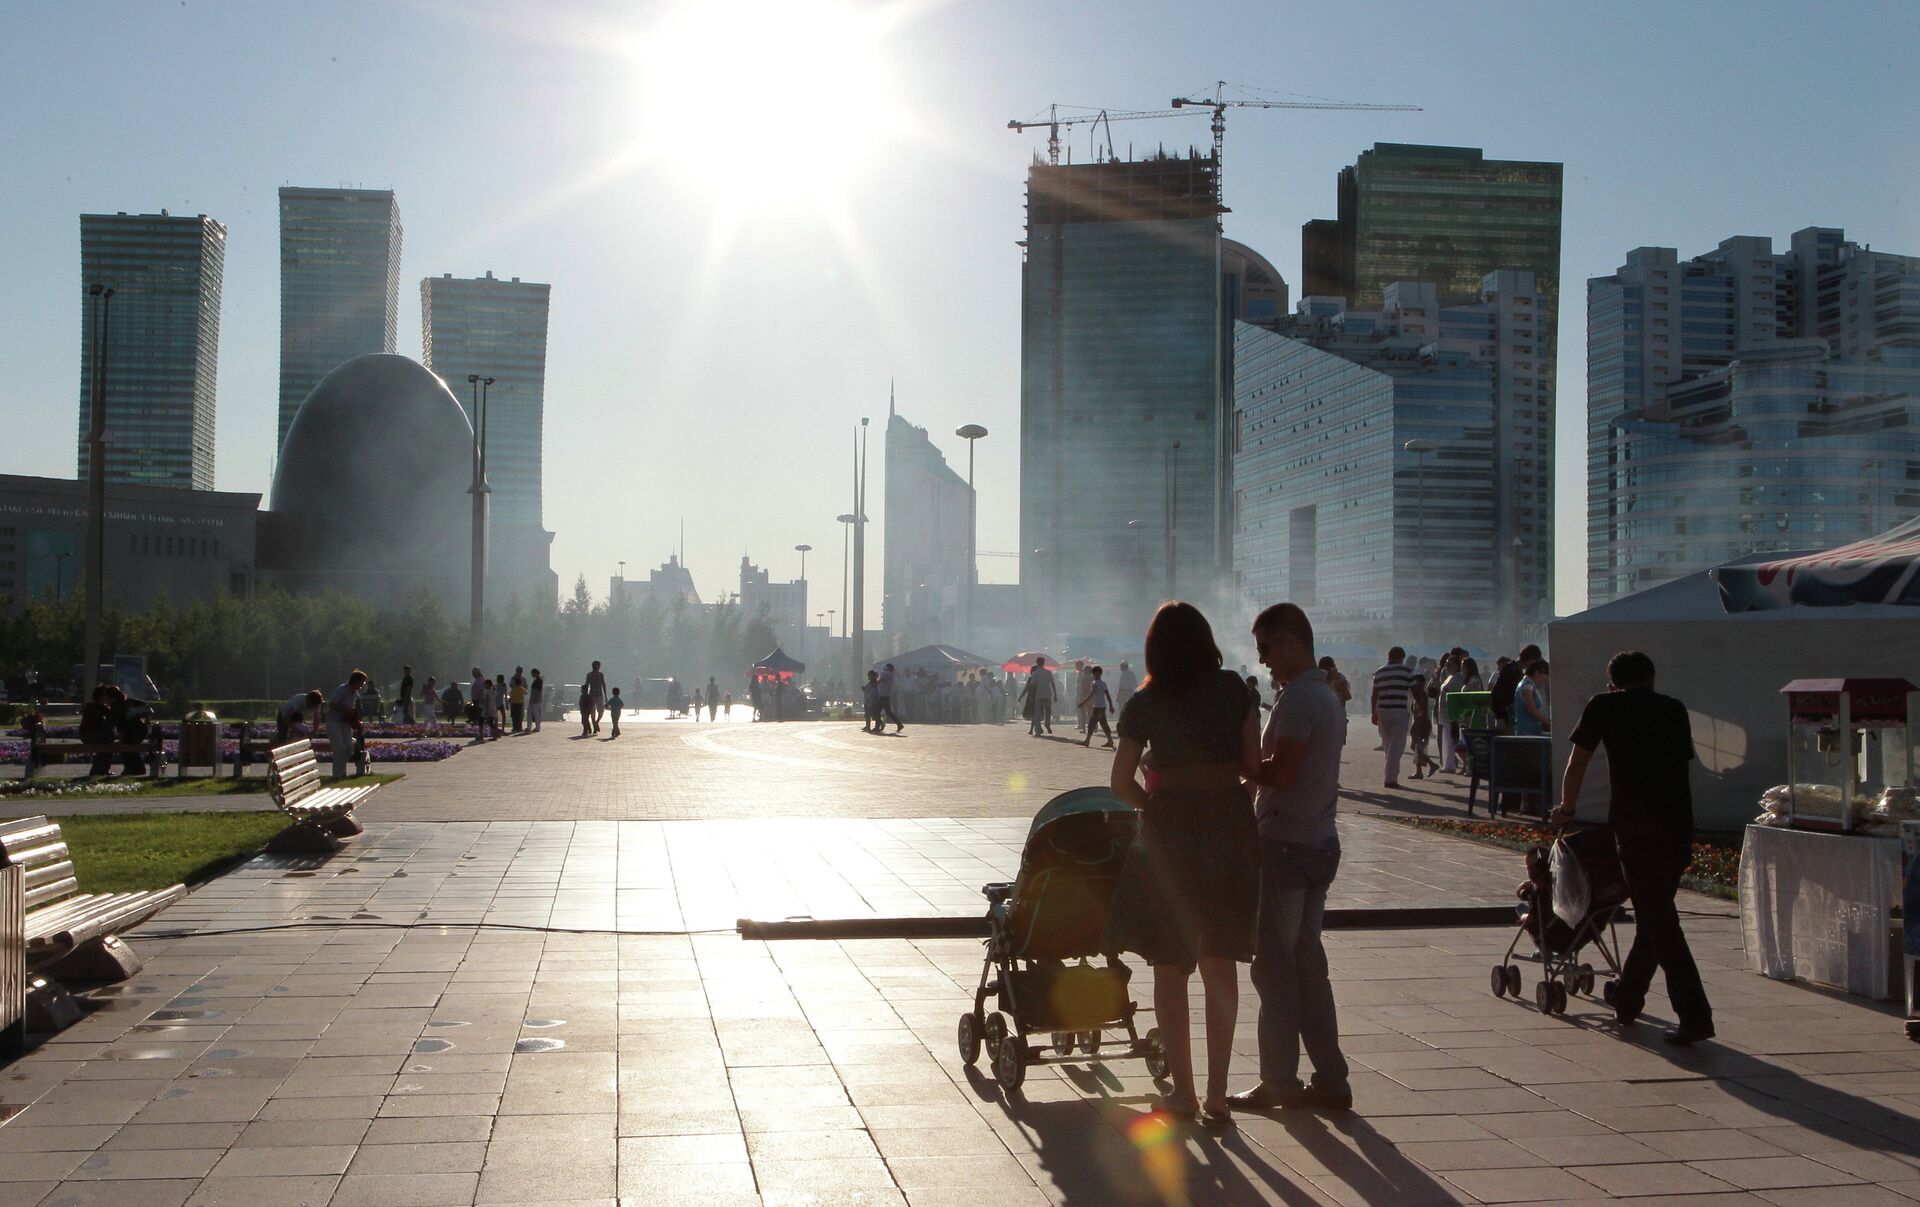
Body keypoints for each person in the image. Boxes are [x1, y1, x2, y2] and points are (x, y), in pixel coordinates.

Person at [1104, 602, 1260, 1126]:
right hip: (1230, 831)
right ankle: (1219, 1094)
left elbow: (1120, 782)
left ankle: (1184, 1095)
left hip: (1170, 838)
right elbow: (1252, 765)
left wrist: (1160, 806)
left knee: (1169, 968)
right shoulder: (1235, 690)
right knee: (1221, 960)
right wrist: (1231, 798)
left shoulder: (1147, 701)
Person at [1552, 651, 1713, 1046]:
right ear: (1652, 678)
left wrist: (1566, 809)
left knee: (1659, 919)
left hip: (1635, 828)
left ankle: (1695, 1015)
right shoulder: (1674, 709)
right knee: (1654, 913)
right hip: (1676, 825)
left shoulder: (1604, 705)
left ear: (1612, 682)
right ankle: (1627, 998)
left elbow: (1577, 763)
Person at [1230, 602, 1353, 1114]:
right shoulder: (1326, 695)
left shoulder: (1300, 699)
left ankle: (1280, 1080)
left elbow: (1283, 773)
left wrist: (1241, 762)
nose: (1263, 663)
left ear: (1290, 642)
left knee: (1275, 969)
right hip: (1319, 840)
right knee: (1307, 964)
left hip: (1287, 845)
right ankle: (1330, 1078)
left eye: (1266, 650)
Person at [1371, 647, 1416, 789]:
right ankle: (1390, 778)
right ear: (1403, 657)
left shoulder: (1379, 672)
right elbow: (1415, 691)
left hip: (1383, 711)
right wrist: (1420, 709)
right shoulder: (1407, 671)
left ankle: (1389, 773)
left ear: (1388, 656)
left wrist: (1373, 712)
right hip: (1399, 711)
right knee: (1397, 745)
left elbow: (1374, 694)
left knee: (1387, 744)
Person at [327, 670, 368, 780]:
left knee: (349, 747)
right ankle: (337, 774)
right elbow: (332, 704)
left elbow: (354, 707)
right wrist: (345, 709)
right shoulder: (342, 690)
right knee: (339, 748)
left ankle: (342, 772)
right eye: (362, 682)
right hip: (334, 722)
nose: (363, 685)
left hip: (346, 722)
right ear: (356, 681)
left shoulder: (355, 692)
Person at [1408, 674, 1437, 780]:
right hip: (1418, 723)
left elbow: (1423, 713)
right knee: (1416, 747)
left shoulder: (1422, 695)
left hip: (1421, 723)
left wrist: (1419, 726)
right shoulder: (1417, 695)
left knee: (1418, 748)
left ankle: (1432, 764)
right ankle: (1419, 771)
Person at [1079, 665, 1115, 748]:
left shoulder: (1099, 684)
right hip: (1100, 706)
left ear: (1098, 674)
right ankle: (1110, 741)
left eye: (1094, 674)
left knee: (1092, 723)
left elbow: (1106, 695)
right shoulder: (1097, 683)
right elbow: (1093, 694)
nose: (1093, 675)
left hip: (1099, 707)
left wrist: (1083, 702)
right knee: (1103, 724)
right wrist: (1110, 706)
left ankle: (1087, 741)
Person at [1514, 659, 1550, 737]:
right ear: (1537, 673)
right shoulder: (1526, 686)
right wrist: (1547, 722)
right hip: (1526, 731)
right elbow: (1531, 710)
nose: (1544, 681)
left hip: (1533, 730)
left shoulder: (1531, 685)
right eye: (1545, 677)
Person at [1025, 657, 1055, 737]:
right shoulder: (1048, 672)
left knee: (1037, 713)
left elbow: (1033, 686)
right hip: (1048, 693)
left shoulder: (1035, 673)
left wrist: (1032, 696)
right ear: (1043, 663)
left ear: (1037, 663)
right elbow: (1052, 684)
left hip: (1038, 694)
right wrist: (1055, 694)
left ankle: (1037, 731)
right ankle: (1047, 724)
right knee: (1048, 711)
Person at [877, 663, 904, 733]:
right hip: (885, 695)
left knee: (876, 712)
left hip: (884, 695)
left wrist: (873, 682)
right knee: (888, 712)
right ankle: (899, 724)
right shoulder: (889, 674)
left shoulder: (888, 674)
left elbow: (880, 681)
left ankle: (879, 725)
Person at [584, 661, 608, 732]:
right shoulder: (589, 675)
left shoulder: (601, 675)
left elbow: (603, 685)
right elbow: (587, 684)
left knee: (601, 711)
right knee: (592, 712)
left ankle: (596, 723)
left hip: (599, 695)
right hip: (592, 695)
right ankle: (595, 724)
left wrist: (605, 695)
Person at [510, 667, 528, 733]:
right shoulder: (513, 678)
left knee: (518, 715)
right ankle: (517, 727)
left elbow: (511, 691)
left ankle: (517, 727)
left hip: (515, 701)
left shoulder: (523, 679)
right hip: (520, 701)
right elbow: (526, 690)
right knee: (517, 715)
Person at [528, 669, 545, 733]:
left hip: (535, 699)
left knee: (535, 713)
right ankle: (529, 727)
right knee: (530, 713)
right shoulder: (536, 680)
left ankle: (537, 727)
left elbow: (538, 691)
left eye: (532, 673)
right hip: (533, 698)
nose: (532, 675)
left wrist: (535, 699)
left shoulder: (538, 681)